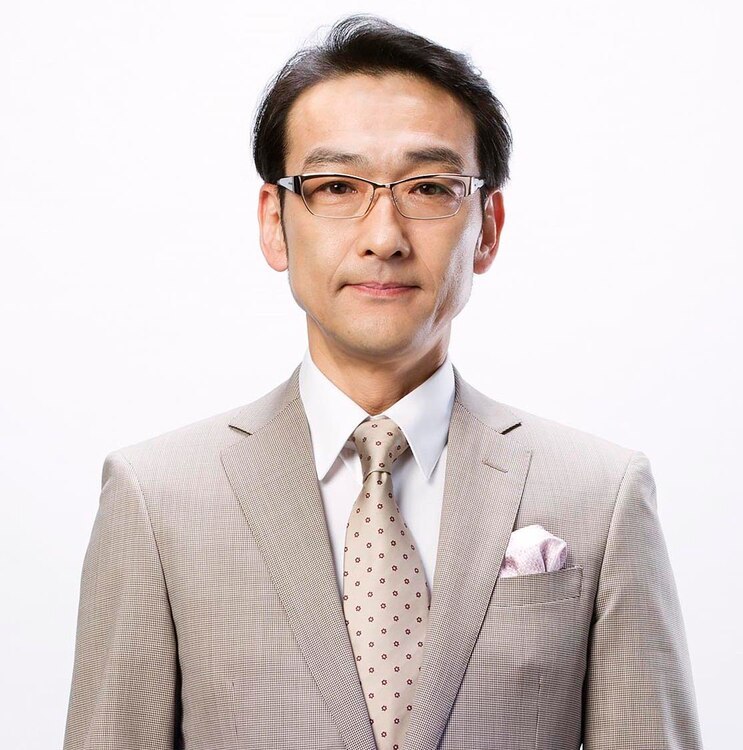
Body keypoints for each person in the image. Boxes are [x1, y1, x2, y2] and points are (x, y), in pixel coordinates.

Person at [63, 14, 703, 750]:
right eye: (337, 186)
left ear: (488, 226)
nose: (383, 237)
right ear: (274, 221)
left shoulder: (601, 494)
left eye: (429, 187)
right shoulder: (157, 498)